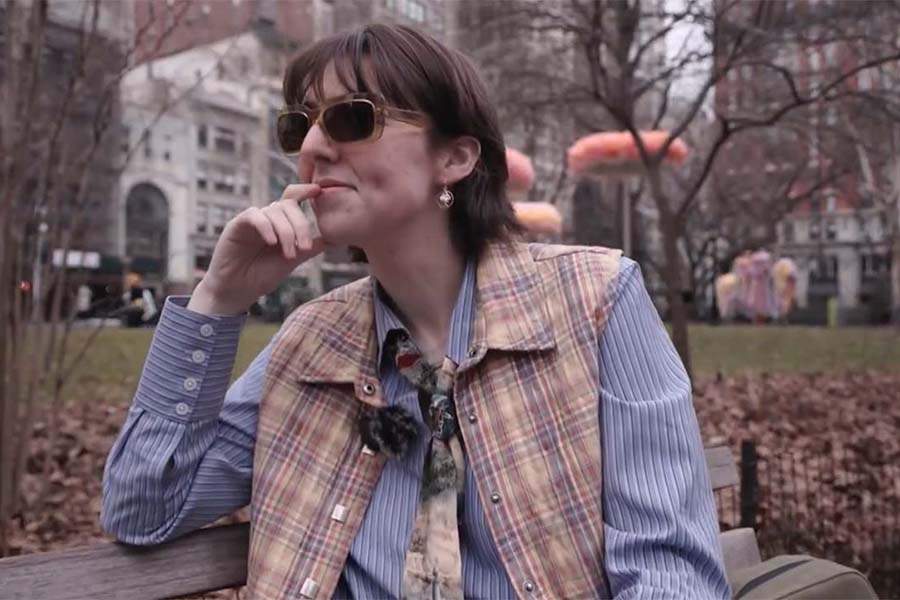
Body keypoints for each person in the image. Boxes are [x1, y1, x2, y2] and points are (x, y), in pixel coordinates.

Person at [102, 24, 729, 599]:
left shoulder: (597, 301)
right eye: (299, 127)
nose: (314, 147)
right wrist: (218, 300)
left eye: (351, 119)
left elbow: (670, 571)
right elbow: (142, 511)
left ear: (454, 158)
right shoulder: (309, 345)